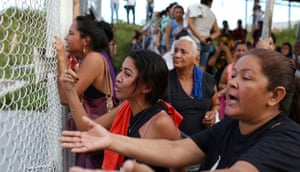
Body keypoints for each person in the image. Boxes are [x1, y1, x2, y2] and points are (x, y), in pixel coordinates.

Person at [60, 48, 300, 171]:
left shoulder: (287, 140)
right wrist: (111, 140)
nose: (232, 83)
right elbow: (177, 150)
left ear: (275, 95)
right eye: (233, 74)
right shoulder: (231, 126)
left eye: (246, 78)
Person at [59, 50, 185, 172]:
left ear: (146, 87)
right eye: (121, 71)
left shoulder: (161, 122)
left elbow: (179, 167)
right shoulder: (127, 107)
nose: (118, 78)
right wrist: (70, 91)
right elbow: (87, 129)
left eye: (127, 74)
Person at [53, 9, 117, 168]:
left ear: (85, 40)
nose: (66, 38)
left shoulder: (94, 59)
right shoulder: (95, 58)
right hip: (95, 136)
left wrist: (61, 58)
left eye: (70, 33)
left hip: (96, 135)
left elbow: (66, 98)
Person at [163, 35, 220, 137]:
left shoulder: (207, 81)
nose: (177, 55)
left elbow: (216, 104)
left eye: (183, 52)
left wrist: (213, 114)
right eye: (175, 51)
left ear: (196, 59)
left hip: (203, 144)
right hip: (173, 144)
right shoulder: (164, 81)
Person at [186, 0, 220, 71]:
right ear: (210, 3)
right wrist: (209, 38)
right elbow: (217, 32)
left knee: (191, 66)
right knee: (202, 66)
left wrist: (200, 37)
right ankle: (199, 82)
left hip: (194, 40)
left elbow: (189, 23)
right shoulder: (212, 14)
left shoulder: (195, 7)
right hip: (207, 42)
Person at [218, 42, 248, 119]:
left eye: (244, 50)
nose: (241, 53)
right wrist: (227, 88)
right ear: (234, 52)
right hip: (229, 104)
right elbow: (220, 84)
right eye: (238, 50)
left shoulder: (251, 69)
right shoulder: (229, 68)